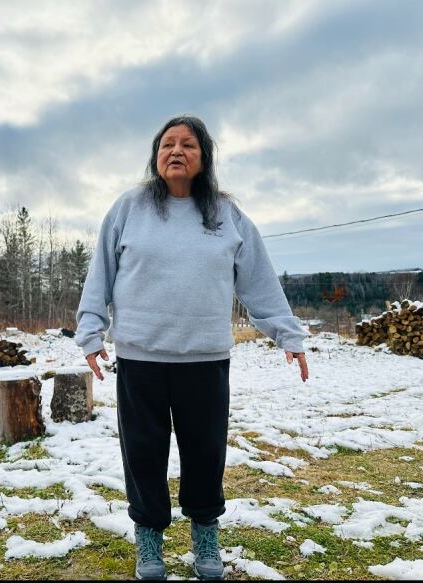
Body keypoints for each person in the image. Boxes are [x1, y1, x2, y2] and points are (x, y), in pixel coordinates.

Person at [75, 115, 310, 580]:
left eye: (187, 145)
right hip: (141, 358)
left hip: (205, 359)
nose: (176, 151)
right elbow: (100, 273)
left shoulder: (226, 214)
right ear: (155, 156)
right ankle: (149, 541)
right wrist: (90, 331)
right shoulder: (129, 208)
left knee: (205, 453)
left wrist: (288, 333)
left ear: (204, 158)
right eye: (167, 144)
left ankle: (205, 536)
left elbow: (259, 281)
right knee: (143, 454)